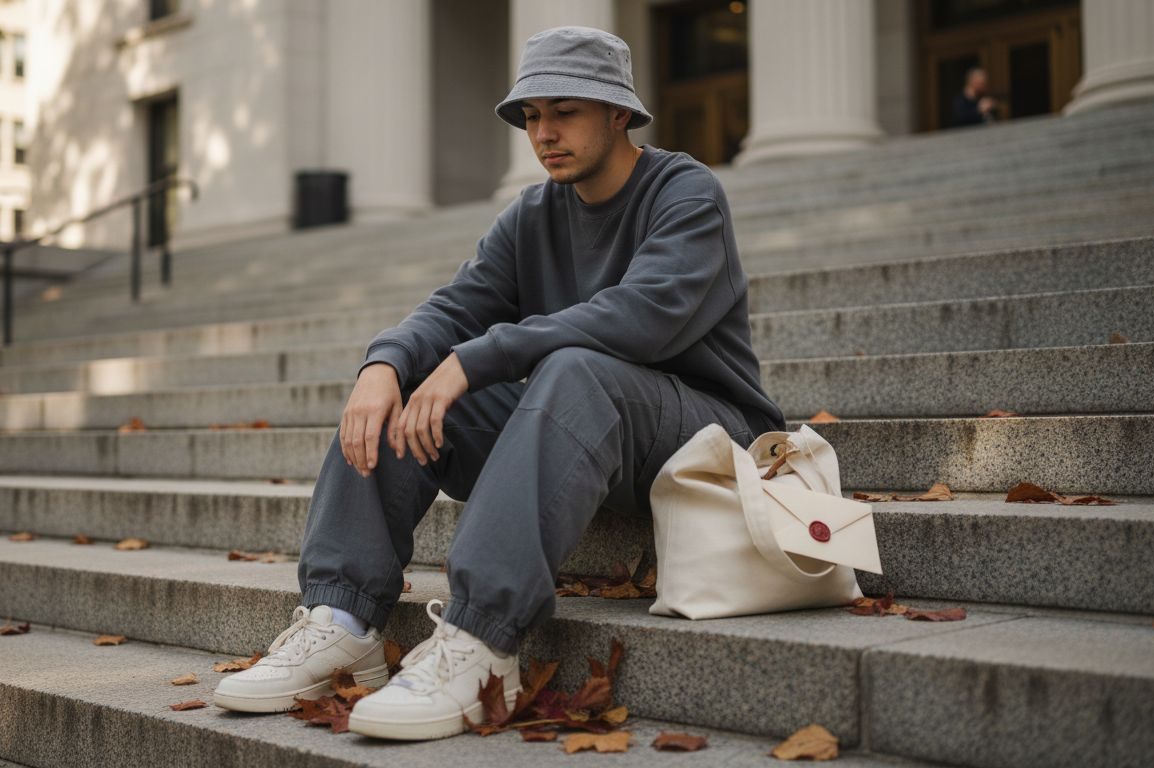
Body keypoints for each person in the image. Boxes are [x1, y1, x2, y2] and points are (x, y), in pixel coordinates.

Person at [213, 25, 786, 741]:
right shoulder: (533, 213)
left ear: (619, 113)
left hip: (707, 438)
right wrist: (384, 365)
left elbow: (640, 319)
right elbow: (457, 306)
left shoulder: (684, 191)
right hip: (590, 435)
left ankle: (480, 642)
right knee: (416, 375)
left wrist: (479, 358)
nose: (543, 133)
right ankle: (341, 617)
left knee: (574, 367)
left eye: (564, 111)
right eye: (531, 116)